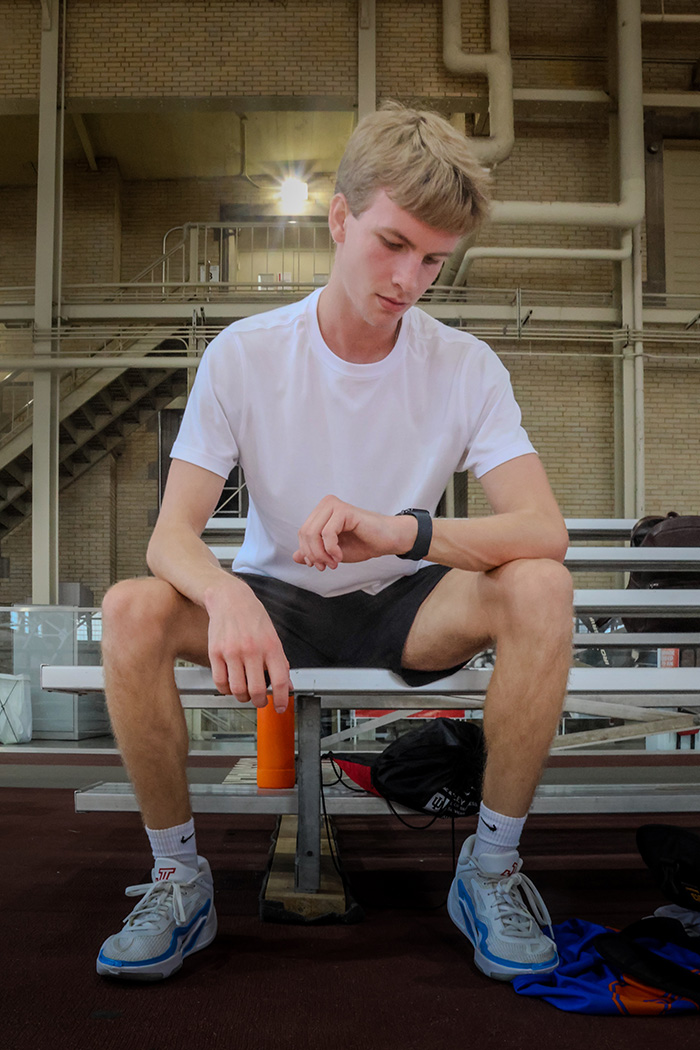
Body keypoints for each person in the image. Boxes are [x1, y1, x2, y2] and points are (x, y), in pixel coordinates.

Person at [97, 102, 573, 983]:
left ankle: (492, 868)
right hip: (275, 602)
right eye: (392, 243)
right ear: (340, 217)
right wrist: (227, 592)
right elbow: (171, 536)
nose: (410, 277)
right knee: (129, 610)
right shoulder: (244, 355)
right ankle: (177, 878)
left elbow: (544, 530)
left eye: (433, 258)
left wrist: (405, 529)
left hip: (406, 603)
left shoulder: (466, 367)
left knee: (542, 584)